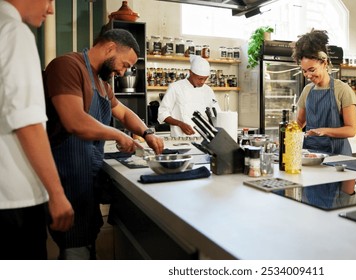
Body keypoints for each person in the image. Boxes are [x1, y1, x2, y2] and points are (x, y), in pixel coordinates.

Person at [43, 28, 164, 259]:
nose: (123, 71)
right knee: (74, 248)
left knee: (85, 242)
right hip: (67, 180)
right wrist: (118, 136)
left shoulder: (101, 82)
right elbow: (74, 121)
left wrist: (147, 133)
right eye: (125, 64)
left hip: (86, 179)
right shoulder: (68, 66)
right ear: (109, 48)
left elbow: (124, 113)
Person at [0, 0, 74, 260]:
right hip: (15, 200)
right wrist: (56, 193)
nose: (52, 9)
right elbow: (27, 122)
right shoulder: (14, 32)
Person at [292, 29, 356, 156]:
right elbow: (299, 123)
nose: (308, 75)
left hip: (338, 156)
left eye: (312, 69)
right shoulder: (307, 90)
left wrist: (324, 131)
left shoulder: (342, 89)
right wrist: (286, 137)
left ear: (324, 63)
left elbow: (351, 130)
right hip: (311, 154)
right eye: (304, 71)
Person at [158, 55, 221, 137]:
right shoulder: (175, 87)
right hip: (181, 141)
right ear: (190, 73)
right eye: (199, 78)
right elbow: (163, 113)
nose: (202, 82)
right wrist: (180, 124)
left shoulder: (208, 90)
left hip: (204, 140)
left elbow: (217, 113)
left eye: (205, 79)